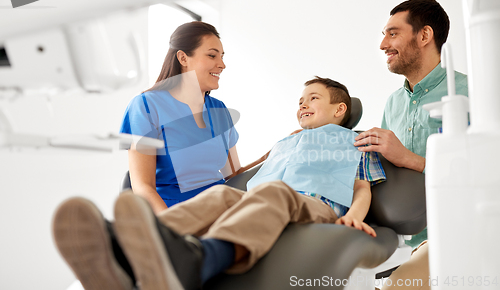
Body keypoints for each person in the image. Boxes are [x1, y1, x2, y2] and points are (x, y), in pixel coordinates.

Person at [53, 77, 386, 290]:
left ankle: (201, 258)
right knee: (221, 195)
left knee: (273, 192)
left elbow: (361, 186)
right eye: (300, 100)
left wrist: (355, 216)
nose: (302, 104)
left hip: (318, 205)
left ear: (340, 109)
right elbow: (251, 175)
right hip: (273, 200)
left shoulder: (355, 140)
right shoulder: (287, 141)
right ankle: (126, 249)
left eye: (312, 98)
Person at [354, 0, 468, 289]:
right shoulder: (393, 103)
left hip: (459, 231)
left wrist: (409, 159)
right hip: (404, 242)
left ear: (425, 36)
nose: (383, 44)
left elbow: (486, 175)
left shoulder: (471, 92)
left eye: (393, 33)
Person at [119, 21, 247, 213]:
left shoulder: (219, 110)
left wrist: (279, 154)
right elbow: (142, 187)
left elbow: (235, 175)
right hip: (176, 215)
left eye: (221, 57)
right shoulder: (146, 106)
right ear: (183, 58)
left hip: (221, 209)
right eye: (212, 55)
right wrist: (173, 229)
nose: (222, 65)